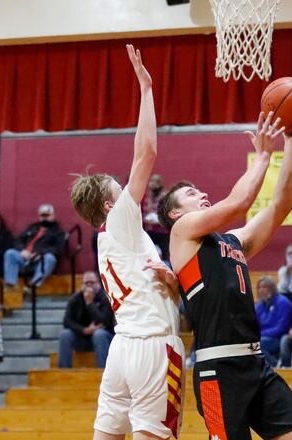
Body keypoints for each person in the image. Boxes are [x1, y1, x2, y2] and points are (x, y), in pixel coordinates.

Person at [158, 110, 292, 440]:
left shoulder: (233, 242)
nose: (201, 195)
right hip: (218, 370)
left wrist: (291, 144)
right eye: (191, 194)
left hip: (255, 362)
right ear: (175, 213)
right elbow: (241, 201)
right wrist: (263, 155)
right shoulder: (182, 234)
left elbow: (281, 206)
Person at [69, 44, 184, 440]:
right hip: (151, 347)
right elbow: (146, 152)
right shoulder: (119, 220)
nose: (125, 184)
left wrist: (169, 282)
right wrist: (147, 90)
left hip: (123, 346)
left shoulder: (112, 239)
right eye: (118, 186)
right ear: (108, 202)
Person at [58, 271, 115, 368]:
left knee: (99, 334)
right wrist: (84, 330)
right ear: (82, 284)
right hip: (83, 338)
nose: (89, 285)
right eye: (86, 283)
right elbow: (66, 321)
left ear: (98, 283)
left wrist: (90, 304)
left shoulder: (105, 298)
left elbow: (105, 321)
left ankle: (102, 372)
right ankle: (64, 371)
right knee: (65, 335)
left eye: (92, 282)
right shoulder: (75, 299)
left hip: (104, 339)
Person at [3, 204, 65, 291]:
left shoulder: (58, 232)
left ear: (53, 215)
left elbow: (59, 248)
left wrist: (40, 254)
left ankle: (34, 285)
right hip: (24, 259)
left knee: (50, 258)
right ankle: (10, 285)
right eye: (43, 215)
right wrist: (22, 251)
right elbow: (17, 241)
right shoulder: (32, 227)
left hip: (40, 262)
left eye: (47, 215)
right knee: (10, 253)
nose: (45, 218)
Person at [255, 276, 292, 368]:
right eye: (259, 288)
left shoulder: (283, 302)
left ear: (272, 288)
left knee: (258, 344)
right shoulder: (258, 306)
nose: (261, 290)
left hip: (279, 338)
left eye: (264, 287)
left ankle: (275, 365)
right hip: (264, 337)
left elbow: (283, 327)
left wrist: (261, 334)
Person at [142, 174, 170, 260]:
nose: (152, 184)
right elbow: (146, 211)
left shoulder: (164, 196)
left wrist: (158, 220)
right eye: (151, 181)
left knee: (165, 253)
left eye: (155, 182)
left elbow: (167, 214)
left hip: (162, 232)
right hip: (150, 230)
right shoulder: (148, 196)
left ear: (160, 184)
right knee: (149, 252)